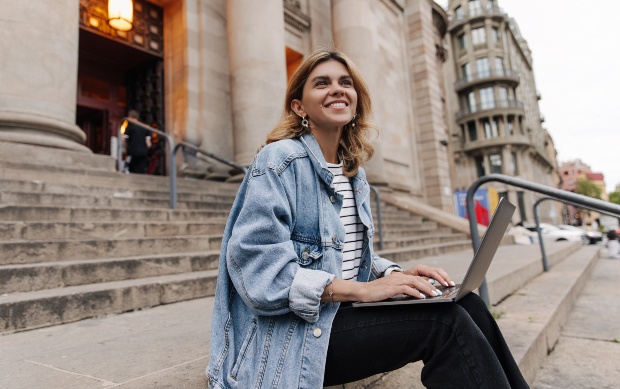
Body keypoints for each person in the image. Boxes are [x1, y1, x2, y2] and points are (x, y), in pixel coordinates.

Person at [206, 49, 529, 389]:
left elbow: (340, 253)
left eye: (345, 82)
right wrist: (363, 290)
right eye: (321, 83)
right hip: (292, 338)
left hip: (336, 318)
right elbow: (259, 271)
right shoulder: (280, 161)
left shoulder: (351, 173)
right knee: (445, 324)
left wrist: (394, 275)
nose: (337, 89)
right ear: (299, 107)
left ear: (356, 100)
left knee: (470, 305)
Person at [125, 110, 151, 174]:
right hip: (143, 153)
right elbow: (149, 144)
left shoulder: (129, 127)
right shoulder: (145, 127)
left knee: (129, 169)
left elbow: (124, 140)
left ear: (130, 117)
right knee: (141, 170)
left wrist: (125, 148)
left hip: (132, 152)